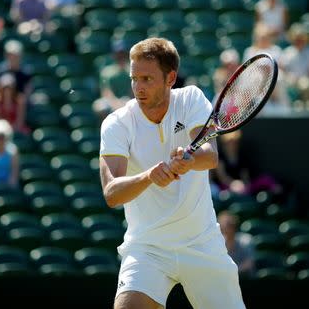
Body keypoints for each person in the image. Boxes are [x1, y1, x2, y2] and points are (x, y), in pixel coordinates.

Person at [99, 37, 246, 309]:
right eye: (134, 78)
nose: (138, 88)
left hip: (201, 243)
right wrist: (148, 177)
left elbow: (210, 157)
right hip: (147, 247)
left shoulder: (191, 99)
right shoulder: (116, 123)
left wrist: (188, 161)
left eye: (147, 79)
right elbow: (111, 193)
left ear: (171, 78)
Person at [92, 40, 133, 122]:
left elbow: (133, 91)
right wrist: (116, 104)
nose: (121, 56)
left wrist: (125, 104)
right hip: (111, 101)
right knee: (99, 106)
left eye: (122, 54)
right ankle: (106, 129)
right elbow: (106, 92)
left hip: (128, 100)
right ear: (114, 55)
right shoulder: (106, 71)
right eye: (118, 54)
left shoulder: (132, 70)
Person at [218, 210, 255, 278]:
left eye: (230, 226)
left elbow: (249, 264)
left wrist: (232, 272)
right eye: (222, 227)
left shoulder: (246, 240)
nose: (226, 230)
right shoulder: (216, 244)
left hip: (244, 280)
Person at [279, 22, 309, 104]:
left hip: (305, 80)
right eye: (297, 38)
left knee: (305, 84)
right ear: (292, 39)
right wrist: (289, 76)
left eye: (301, 38)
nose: (299, 41)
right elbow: (282, 69)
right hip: (289, 80)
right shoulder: (287, 52)